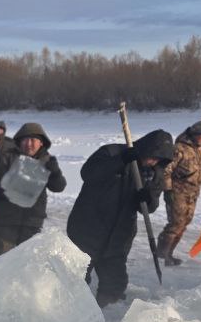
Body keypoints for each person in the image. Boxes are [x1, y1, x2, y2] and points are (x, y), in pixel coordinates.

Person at [67, 129, 174, 306]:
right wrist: (121, 161)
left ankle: (104, 317)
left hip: (119, 235)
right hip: (87, 229)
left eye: (159, 160)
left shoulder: (155, 172)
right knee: (75, 277)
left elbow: (151, 208)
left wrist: (147, 199)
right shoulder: (113, 152)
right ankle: (69, 316)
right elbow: (88, 173)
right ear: (145, 148)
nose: (153, 161)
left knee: (114, 283)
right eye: (152, 156)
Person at [0, 122, 66, 261]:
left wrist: (55, 172)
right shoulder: (6, 157)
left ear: (41, 143)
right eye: (25, 140)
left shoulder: (46, 161)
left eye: (33, 140)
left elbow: (58, 187)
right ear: (19, 142)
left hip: (32, 220)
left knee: (26, 260)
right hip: (6, 218)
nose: (29, 144)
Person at [157, 119, 201, 266]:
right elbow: (166, 171)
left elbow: (196, 172)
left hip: (192, 194)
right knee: (175, 224)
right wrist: (168, 191)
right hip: (177, 193)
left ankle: (169, 254)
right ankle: (161, 256)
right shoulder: (179, 149)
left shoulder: (200, 151)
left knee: (184, 224)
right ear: (195, 134)